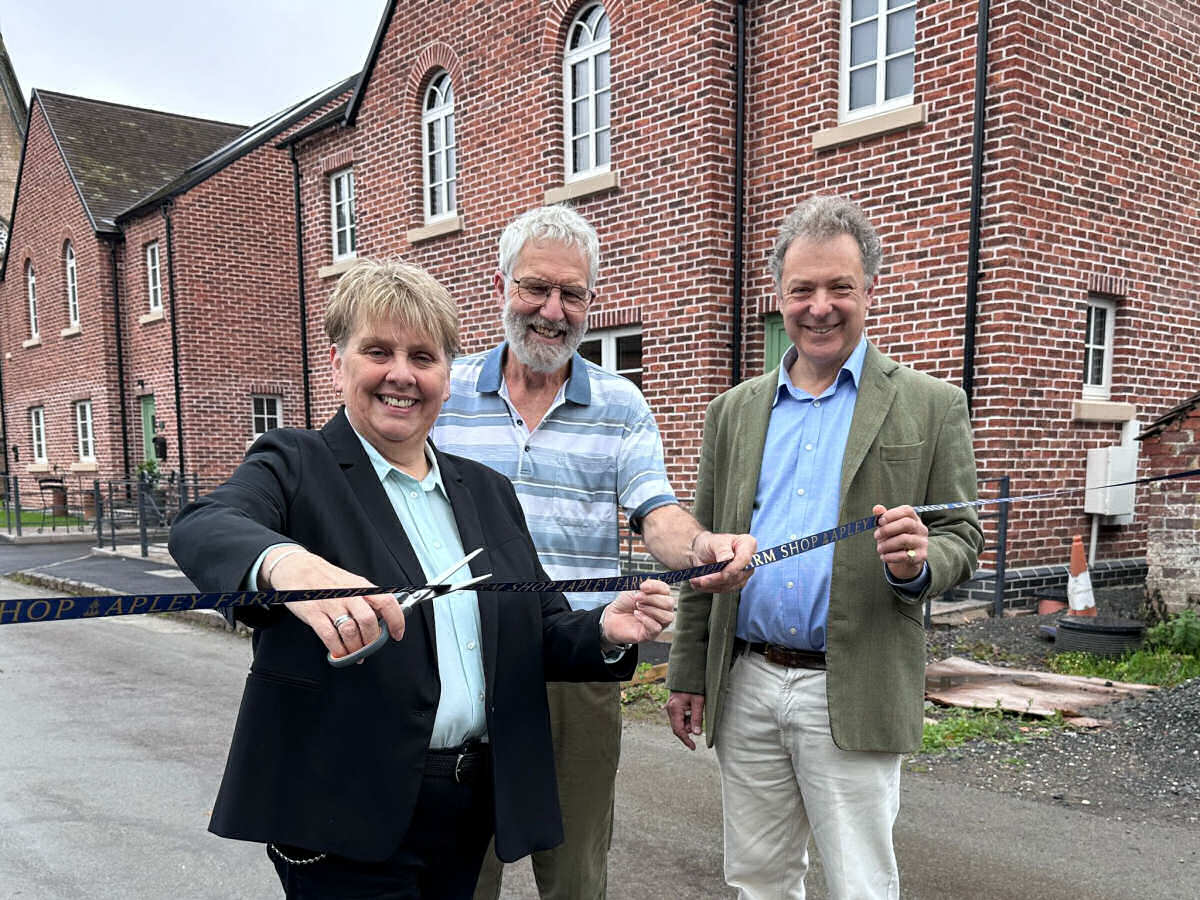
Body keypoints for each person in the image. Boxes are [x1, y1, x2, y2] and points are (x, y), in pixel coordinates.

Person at [169, 258, 677, 899]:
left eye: (423, 357)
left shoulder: (487, 492)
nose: (402, 375)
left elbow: (540, 626)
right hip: (343, 813)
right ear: (338, 364)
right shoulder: (296, 465)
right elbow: (203, 525)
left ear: (446, 376)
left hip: (466, 809)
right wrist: (287, 564)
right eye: (378, 351)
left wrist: (603, 628)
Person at [432, 204, 756, 900]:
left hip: (576, 666)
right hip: (459, 661)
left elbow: (654, 513)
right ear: (500, 287)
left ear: (591, 301)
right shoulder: (443, 392)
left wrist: (702, 547)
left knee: (576, 872)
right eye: (536, 287)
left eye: (572, 294)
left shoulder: (620, 403)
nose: (552, 311)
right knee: (458, 873)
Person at [666, 195, 984, 899]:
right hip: (747, 680)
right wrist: (688, 672)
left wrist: (920, 564)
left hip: (853, 680)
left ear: (869, 289)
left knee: (859, 884)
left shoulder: (931, 405)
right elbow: (701, 553)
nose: (820, 307)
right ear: (779, 296)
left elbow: (963, 535)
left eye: (839, 287)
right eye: (802, 289)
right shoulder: (732, 412)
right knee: (759, 878)